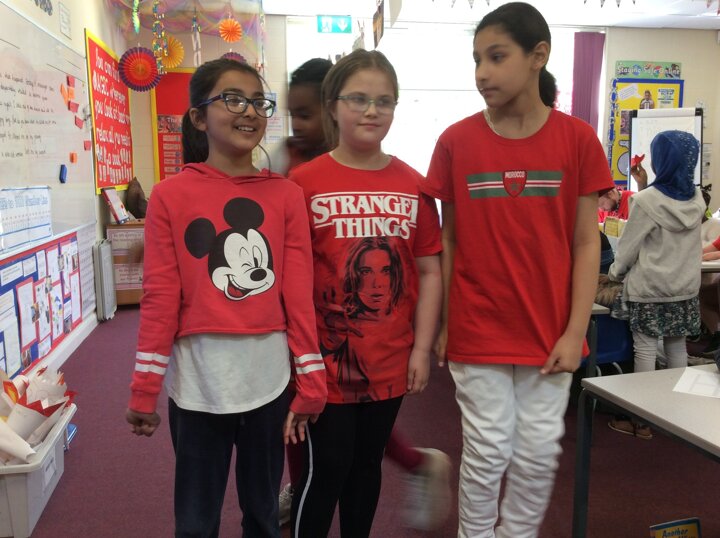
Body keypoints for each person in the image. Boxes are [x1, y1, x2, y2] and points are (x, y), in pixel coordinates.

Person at [422, 3, 614, 536]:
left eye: (496, 57)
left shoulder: (577, 139)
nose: (482, 72)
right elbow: (448, 240)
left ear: (538, 56)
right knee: (487, 450)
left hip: (549, 329)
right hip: (478, 324)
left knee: (535, 456)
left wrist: (575, 331)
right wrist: (444, 322)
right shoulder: (456, 141)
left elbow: (586, 243)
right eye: (477, 59)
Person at [124, 58, 327, 538]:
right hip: (198, 385)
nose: (249, 111)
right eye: (232, 99)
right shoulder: (170, 196)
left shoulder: (286, 195)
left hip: (268, 383)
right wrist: (144, 388)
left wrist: (312, 378)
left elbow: (298, 295)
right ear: (199, 116)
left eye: (258, 102)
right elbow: (160, 301)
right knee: (196, 521)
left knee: (263, 513)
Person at [275, 58, 451, 532]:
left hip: (390, 360)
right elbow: (288, 277)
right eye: (358, 99)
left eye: (383, 101)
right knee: (326, 470)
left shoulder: (413, 185)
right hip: (322, 362)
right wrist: (296, 355)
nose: (371, 110)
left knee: (366, 468)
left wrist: (421, 347)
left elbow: (429, 270)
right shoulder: (303, 183)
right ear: (333, 106)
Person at [607, 130, 704, 438]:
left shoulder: (646, 201)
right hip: (684, 288)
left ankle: (642, 421)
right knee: (677, 347)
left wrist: (615, 273)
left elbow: (628, 248)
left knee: (646, 349)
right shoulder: (697, 198)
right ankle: (674, 414)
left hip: (650, 288)